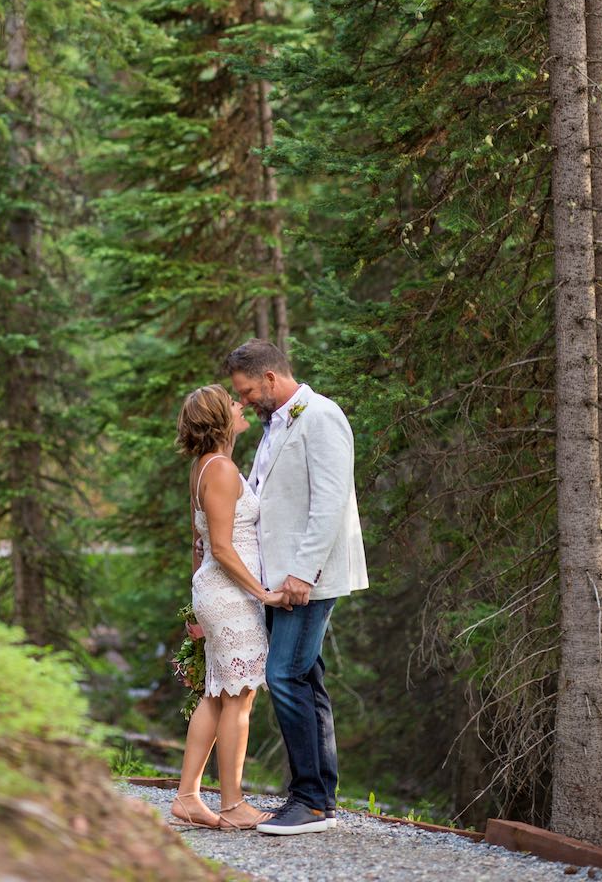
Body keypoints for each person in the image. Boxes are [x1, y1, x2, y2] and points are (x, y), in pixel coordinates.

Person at [224, 339, 369, 836]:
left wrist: (302, 573)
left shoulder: (321, 417)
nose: (242, 402)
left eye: (245, 392)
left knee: (283, 675)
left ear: (270, 378)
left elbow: (329, 503)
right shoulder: (275, 426)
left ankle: (308, 801)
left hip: (305, 578)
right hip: (278, 576)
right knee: (305, 677)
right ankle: (320, 800)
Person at [171, 384, 291, 831]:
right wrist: (262, 593)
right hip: (231, 594)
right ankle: (233, 803)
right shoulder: (219, 469)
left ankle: (187, 798)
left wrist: (194, 609)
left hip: (217, 594)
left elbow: (198, 543)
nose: (242, 406)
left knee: (218, 694)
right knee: (238, 698)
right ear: (221, 418)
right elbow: (219, 546)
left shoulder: (206, 467)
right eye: (233, 402)